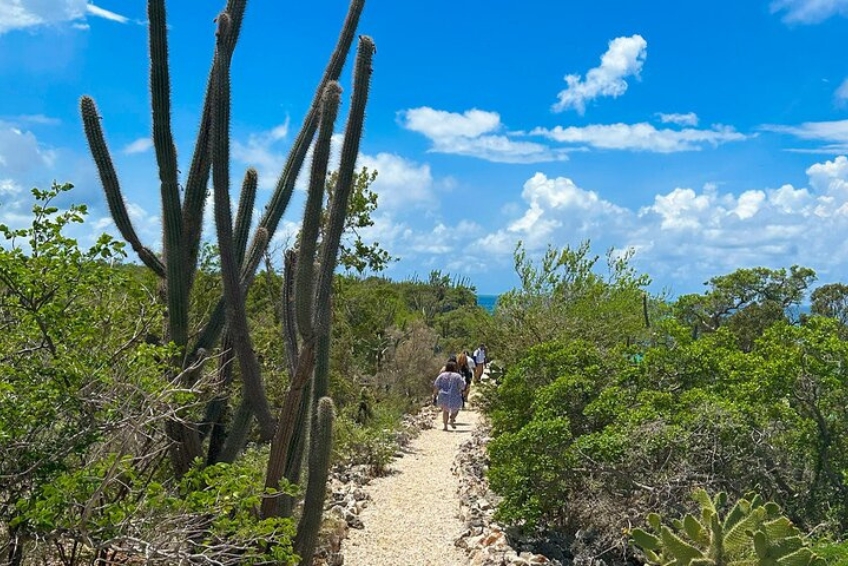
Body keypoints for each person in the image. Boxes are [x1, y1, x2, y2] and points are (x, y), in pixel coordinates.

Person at [433, 360, 466, 431]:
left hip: (443, 396)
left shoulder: (441, 376)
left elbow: (436, 386)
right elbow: (462, 386)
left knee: (445, 411)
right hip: (455, 396)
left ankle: (445, 426)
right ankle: (452, 418)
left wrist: (434, 396)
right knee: (456, 409)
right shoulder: (458, 376)